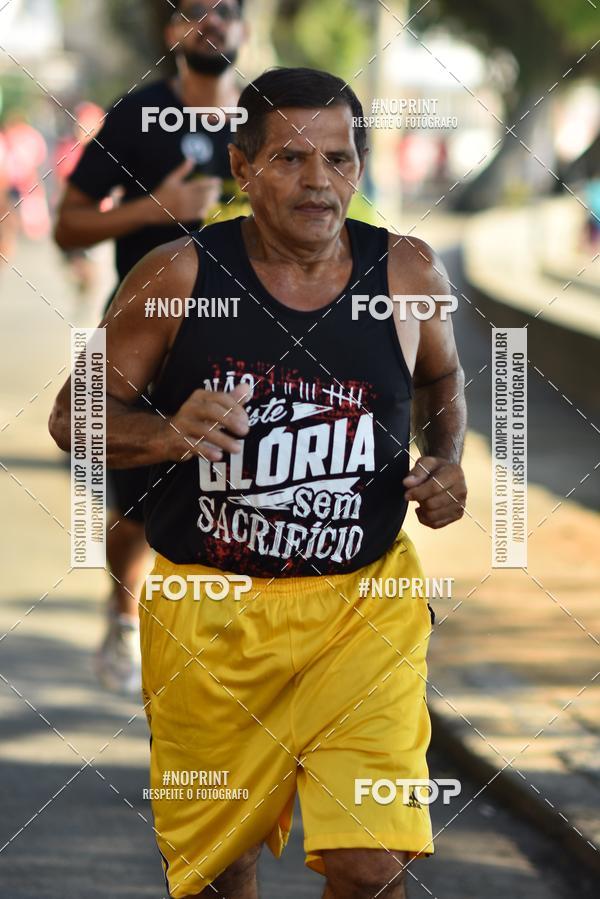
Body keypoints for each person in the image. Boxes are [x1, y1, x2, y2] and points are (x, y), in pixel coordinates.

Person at [50, 67, 467, 899]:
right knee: (220, 873)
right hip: (211, 618)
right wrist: (168, 434)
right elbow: (74, 417)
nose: (320, 183)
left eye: (340, 160)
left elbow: (442, 383)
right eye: (291, 159)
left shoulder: (409, 274)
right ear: (241, 169)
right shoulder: (175, 277)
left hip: (363, 610)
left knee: (373, 862)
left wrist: (446, 461)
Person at [53, 0, 250, 693]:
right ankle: (124, 611)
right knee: (136, 506)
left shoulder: (263, 120)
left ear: (245, 28)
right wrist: (153, 211)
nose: (213, 22)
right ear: (172, 31)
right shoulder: (138, 116)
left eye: (228, 10)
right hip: (148, 331)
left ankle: (232, 646)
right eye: (197, 11)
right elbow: (68, 225)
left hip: (246, 340)